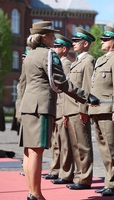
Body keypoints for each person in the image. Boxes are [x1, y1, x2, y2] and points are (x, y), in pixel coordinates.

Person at [19, 21, 99, 200]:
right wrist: (86, 97)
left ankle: (31, 191)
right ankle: (36, 194)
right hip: (41, 106)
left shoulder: (30, 55)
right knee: (36, 152)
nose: (54, 38)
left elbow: (22, 83)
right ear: (44, 36)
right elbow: (61, 82)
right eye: (52, 35)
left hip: (28, 106)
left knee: (28, 151)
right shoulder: (49, 55)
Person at [88, 26, 114, 196]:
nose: (102, 42)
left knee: (113, 148)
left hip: (109, 109)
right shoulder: (101, 60)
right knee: (104, 149)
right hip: (97, 109)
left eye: (106, 40)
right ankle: (109, 181)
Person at [65, 27, 96, 190]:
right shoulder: (76, 61)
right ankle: (79, 176)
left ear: (85, 43)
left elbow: (87, 88)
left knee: (83, 145)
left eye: (77, 41)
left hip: (78, 109)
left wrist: (84, 110)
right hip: (70, 109)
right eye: (74, 41)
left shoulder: (88, 60)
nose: (74, 43)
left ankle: (84, 178)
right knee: (76, 146)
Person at [42, 33, 75, 184]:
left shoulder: (66, 64)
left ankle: (66, 173)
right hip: (56, 108)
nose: (54, 48)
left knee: (65, 144)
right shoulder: (57, 62)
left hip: (63, 108)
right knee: (56, 143)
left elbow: (67, 89)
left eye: (56, 46)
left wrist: (66, 111)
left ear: (63, 49)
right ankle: (56, 170)